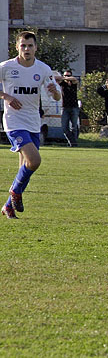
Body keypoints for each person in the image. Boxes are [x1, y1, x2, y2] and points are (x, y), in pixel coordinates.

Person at [1, 31, 62, 219]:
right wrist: (7, 96)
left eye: (30, 46)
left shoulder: (43, 69)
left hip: (33, 121)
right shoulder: (6, 67)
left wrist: (54, 92)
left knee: (26, 165)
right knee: (35, 161)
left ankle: (8, 206)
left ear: (35, 48)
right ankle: (15, 191)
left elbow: (57, 95)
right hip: (14, 121)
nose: (26, 49)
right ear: (17, 47)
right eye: (23, 45)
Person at [58, 70, 80, 147]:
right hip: (65, 108)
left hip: (74, 107)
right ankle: (73, 143)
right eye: (65, 75)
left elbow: (74, 79)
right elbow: (55, 78)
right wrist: (64, 78)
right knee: (64, 128)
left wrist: (67, 78)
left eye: (68, 75)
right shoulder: (63, 84)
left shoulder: (74, 84)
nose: (67, 77)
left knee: (74, 127)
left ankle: (73, 144)